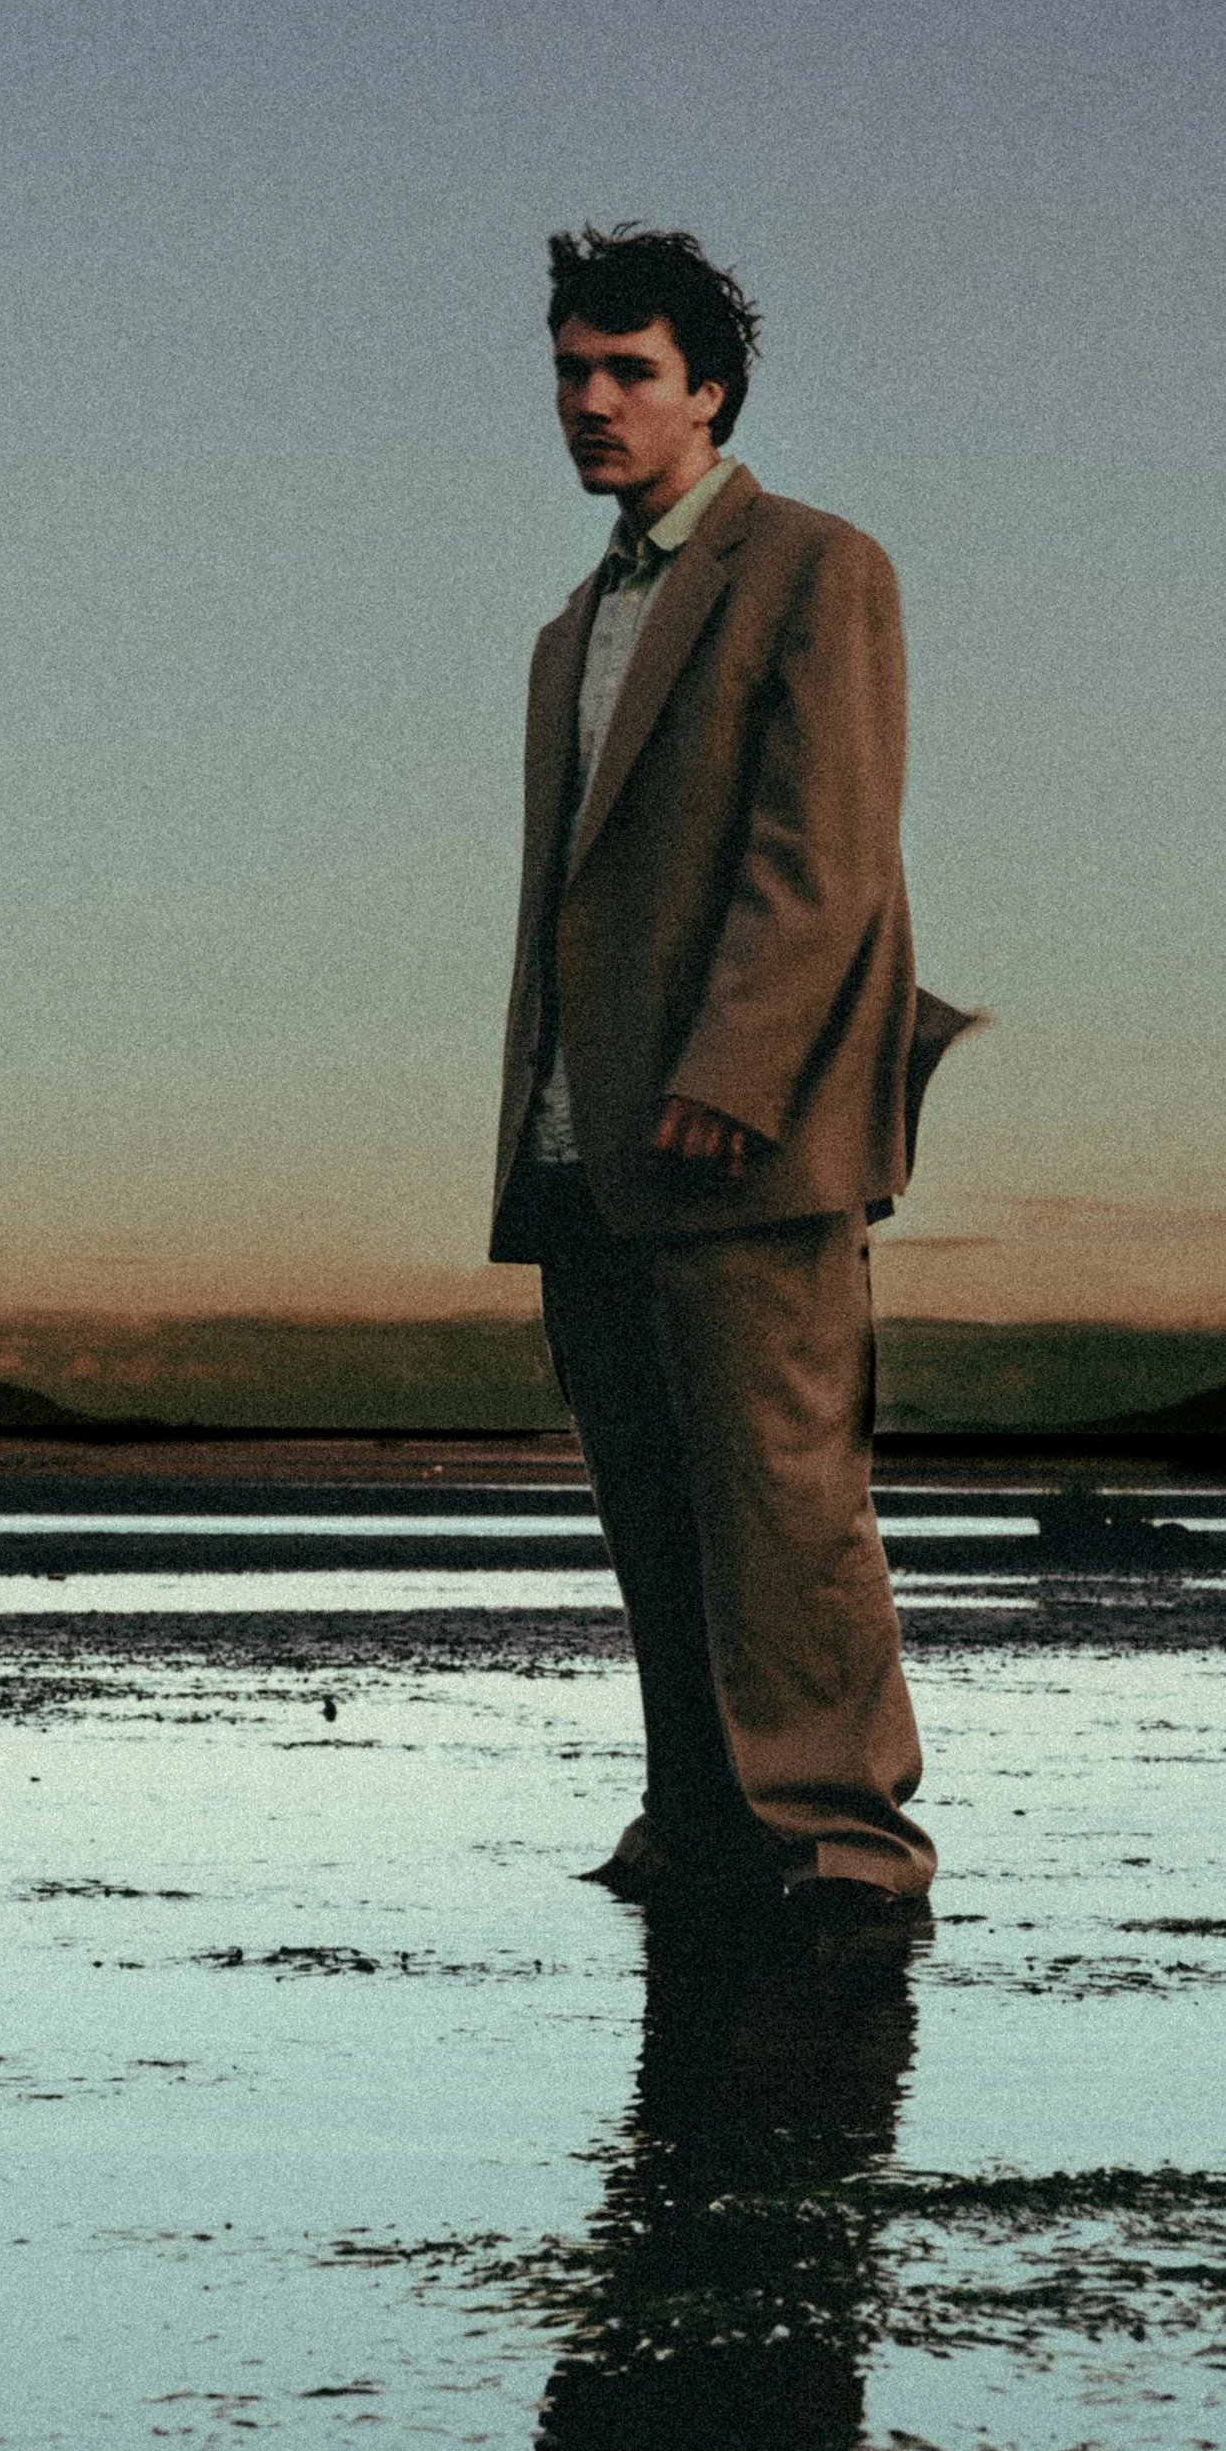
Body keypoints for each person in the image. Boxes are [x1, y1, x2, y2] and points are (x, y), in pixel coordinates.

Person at [489, 223, 974, 1926]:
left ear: (710, 390)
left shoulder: (818, 568)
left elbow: (826, 850)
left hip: (744, 1135)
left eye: (629, 371)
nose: (591, 401)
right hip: (586, 1136)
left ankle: (847, 1838)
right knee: (651, 1502)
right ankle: (703, 1817)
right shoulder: (570, 629)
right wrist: (543, 1115)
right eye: (571, 370)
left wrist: (738, 1073)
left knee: (783, 1498)